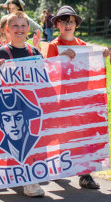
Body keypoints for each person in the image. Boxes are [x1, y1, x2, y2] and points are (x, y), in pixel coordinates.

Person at [46, 6, 109, 189]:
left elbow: (92, 66)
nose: (67, 25)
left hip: (81, 98)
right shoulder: (54, 46)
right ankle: (60, 166)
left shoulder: (83, 46)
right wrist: (61, 58)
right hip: (61, 98)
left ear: (75, 25)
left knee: (83, 135)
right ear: (57, 24)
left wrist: (102, 55)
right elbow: (48, 71)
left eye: (70, 21)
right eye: (63, 21)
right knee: (63, 135)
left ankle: (85, 174)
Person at [0, 11, 45, 197]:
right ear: (7, 30)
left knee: (31, 142)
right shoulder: (0, 52)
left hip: (28, 106)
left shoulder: (34, 52)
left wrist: (66, 59)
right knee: (11, 144)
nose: (19, 29)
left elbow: (46, 77)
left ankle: (30, 181)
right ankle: (15, 175)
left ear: (28, 29)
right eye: (15, 26)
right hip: (9, 108)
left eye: (23, 26)